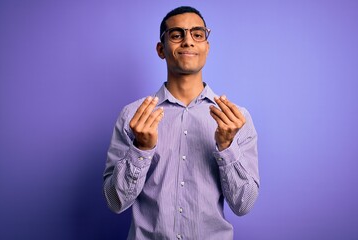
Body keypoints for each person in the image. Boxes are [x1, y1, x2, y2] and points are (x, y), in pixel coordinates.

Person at [103, 6, 260, 240]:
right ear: (161, 49)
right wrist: (141, 148)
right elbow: (115, 202)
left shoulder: (236, 119)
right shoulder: (132, 116)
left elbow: (243, 205)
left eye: (198, 34)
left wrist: (227, 147)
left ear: (207, 46)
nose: (188, 41)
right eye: (177, 35)